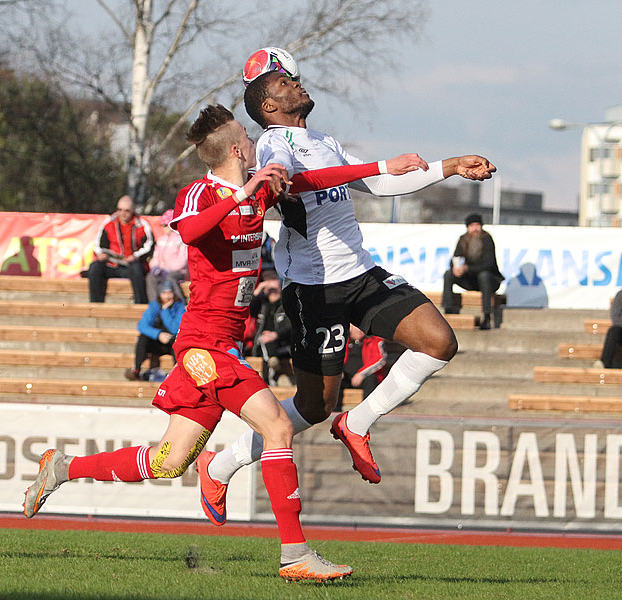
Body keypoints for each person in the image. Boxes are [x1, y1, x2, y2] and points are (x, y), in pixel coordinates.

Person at [22, 103, 427, 581]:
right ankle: (295, 555)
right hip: (200, 347)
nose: (255, 142)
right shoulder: (201, 191)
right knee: (277, 427)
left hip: (226, 346)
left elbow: (320, 181)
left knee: (169, 461)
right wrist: (245, 193)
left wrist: (382, 168)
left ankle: (63, 467)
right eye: (247, 138)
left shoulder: (263, 184)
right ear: (236, 148)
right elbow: (190, 230)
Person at [200, 67, 494, 515]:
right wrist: (376, 165)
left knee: (439, 342)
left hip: (359, 273)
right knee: (315, 407)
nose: (297, 83)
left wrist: (450, 166)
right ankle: (220, 465)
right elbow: (292, 185)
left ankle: (357, 424)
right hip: (313, 288)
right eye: (284, 83)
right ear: (269, 108)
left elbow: (380, 184)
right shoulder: (272, 143)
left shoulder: (325, 142)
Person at [442, 213, 504, 330]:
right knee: (448, 274)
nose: (475, 228)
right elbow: (455, 258)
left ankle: (486, 316)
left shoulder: (487, 239)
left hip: (489, 281)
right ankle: (448, 310)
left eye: (477, 225)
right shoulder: (463, 239)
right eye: (472, 225)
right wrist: (457, 268)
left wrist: (467, 269)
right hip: (470, 280)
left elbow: (489, 264)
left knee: (484, 276)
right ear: (468, 227)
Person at [87, 195, 154, 304]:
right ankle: (95, 304)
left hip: (131, 265)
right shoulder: (109, 223)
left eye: (127, 211)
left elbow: (149, 244)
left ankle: (140, 305)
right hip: (112, 264)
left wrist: (136, 256)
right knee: (94, 267)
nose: (123, 213)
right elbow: (98, 244)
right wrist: (100, 254)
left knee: (137, 270)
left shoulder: (141, 225)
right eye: (120, 210)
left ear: (132, 211)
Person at [125, 280, 186, 381]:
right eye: (164, 293)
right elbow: (142, 326)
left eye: (170, 292)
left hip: (172, 344)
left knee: (177, 339)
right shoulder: (154, 306)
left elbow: (175, 328)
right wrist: (158, 335)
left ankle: (178, 373)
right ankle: (136, 369)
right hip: (157, 342)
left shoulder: (179, 308)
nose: (167, 296)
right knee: (142, 338)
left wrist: (165, 311)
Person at [250, 275, 293, 385]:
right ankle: (272, 361)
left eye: (276, 289)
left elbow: (290, 327)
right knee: (265, 341)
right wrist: (259, 289)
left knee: (267, 341)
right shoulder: (262, 305)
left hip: (283, 345)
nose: (273, 292)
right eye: (270, 289)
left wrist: (275, 335)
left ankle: (268, 382)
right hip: (262, 345)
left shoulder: (286, 305)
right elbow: (248, 309)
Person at [146, 209, 189, 303]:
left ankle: (181, 302)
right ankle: (154, 305)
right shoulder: (161, 240)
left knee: (170, 277)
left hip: (179, 272)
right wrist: (155, 267)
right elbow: (155, 257)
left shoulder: (181, 240)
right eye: (163, 225)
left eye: (167, 225)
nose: (164, 228)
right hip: (162, 271)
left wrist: (168, 268)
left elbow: (183, 261)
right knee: (150, 277)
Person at [341, 325, 388, 400]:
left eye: (361, 327)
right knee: (334, 378)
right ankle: (332, 410)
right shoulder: (342, 341)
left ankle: (367, 408)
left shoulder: (374, 340)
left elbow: (380, 359)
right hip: (346, 377)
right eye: (356, 327)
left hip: (364, 377)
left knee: (370, 380)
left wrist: (361, 374)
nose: (359, 330)